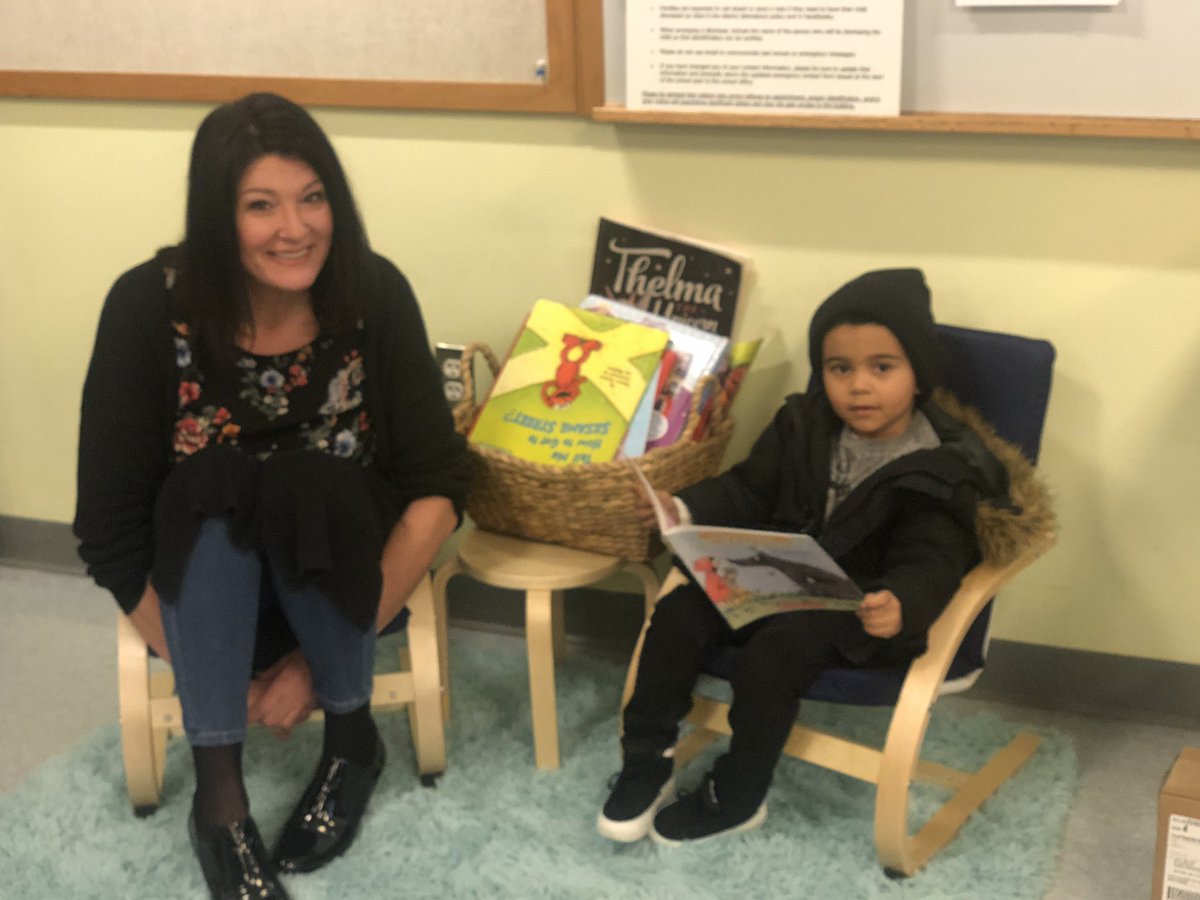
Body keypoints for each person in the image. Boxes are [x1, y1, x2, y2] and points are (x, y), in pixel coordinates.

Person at [74, 93, 469, 898]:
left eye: (313, 197)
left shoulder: (373, 293)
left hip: (346, 590)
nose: (296, 228)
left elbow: (438, 487)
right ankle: (220, 806)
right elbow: (110, 535)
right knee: (218, 481)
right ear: (218, 218)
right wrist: (208, 673)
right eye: (261, 206)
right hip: (206, 603)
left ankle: (352, 740)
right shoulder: (148, 308)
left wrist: (321, 670)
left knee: (304, 478)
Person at [597, 268, 1042, 845]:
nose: (859, 386)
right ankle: (646, 758)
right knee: (679, 613)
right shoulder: (802, 424)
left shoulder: (940, 468)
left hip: (856, 606)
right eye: (840, 369)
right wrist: (680, 507)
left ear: (917, 375)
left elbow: (933, 555)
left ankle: (739, 793)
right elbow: (748, 489)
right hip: (771, 575)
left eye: (882, 368)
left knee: (772, 654)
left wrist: (902, 602)